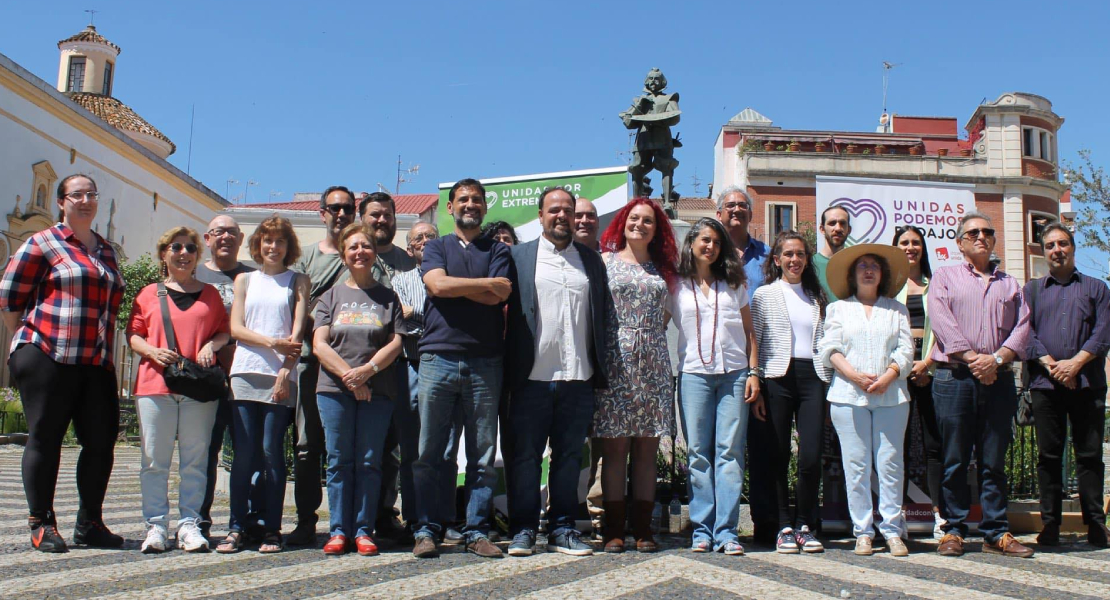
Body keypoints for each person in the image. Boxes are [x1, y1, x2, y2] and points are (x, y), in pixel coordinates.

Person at [0, 174, 125, 553]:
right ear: (61, 202)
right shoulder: (42, 242)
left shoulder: (105, 249)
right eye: (77, 194)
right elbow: (9, 297)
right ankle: (41, 522)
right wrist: (27, 340)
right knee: (46, 436)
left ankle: (90, 523)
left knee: (101, 441)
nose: (85, 200)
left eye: (91, 194)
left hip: (94, 359)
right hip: (48, 354)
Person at [503, 188, 610, 557]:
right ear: (540, 215)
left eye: (568, 210)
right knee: (526, 458)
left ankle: (563, 529)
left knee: (567, 459)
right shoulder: (518, 257)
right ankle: (523, 530)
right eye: (555, 210)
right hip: (532, 377)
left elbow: (604, 317)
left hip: (579, 378)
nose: (562, 216)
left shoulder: (592, 261)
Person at [412, 178, 512, 559]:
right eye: (463, 200)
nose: (470, 205)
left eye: (477, 200)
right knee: (432, 452)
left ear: (485, 208)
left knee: (483, 455)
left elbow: (501, 293)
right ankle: (426, 529)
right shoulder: (436, 246)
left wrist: (455, 286)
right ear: (450, 207)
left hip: (486, 359)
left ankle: (476, 530)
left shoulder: (497, 248)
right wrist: (482, 285)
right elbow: (435, 286)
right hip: (438, 357)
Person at [929, 211, 1033, 558]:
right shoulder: (944, 278)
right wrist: (975, 360)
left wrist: (997, 359)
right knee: (955, 458)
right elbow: (942, 322)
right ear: (960, 242)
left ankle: (996, 532)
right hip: (954, 378)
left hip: (998, 379)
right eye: (973, 232)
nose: (981, 236)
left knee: (994, 461)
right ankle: (953, 530)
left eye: (987, 231)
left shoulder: (1011, 284)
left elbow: (1023, 327)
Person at [127, 227, 231, 553]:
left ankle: (189, 525)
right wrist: (151, 352)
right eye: (176, 247)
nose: (183, 253)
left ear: (197, 256)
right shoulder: (148, 294)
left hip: (198, 388)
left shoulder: (211, 295)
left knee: (196, 461)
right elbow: (134, 334)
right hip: (154, 384)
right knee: (154, 461)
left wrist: (211, 345)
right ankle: (156, 526)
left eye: (190, 248)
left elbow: (224, 332)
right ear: (164, 254)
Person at [217, 217, 310, 554]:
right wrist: (273, 342)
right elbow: (236, 329)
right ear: (257, 244)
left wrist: (286, 370)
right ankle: (237, 527)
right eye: (267, 241)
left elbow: (297, 335)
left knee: (272, 454)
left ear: (289, 246)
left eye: (280, 241)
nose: (273, 247)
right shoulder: (244, 280)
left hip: (280, 378)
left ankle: (272, 528)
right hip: (244, 373)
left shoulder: (298, 281)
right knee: (243, 455)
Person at [312, 223, 404, 556]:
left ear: (373, 251)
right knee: (339, 461)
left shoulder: (387, 297)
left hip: (377, 390)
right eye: (353, 247)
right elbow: (319, 344)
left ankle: (363, 530)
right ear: (344, 254)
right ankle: (338, 531)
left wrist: (368, 372)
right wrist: (351, 378)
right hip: (334, 390)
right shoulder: (330, 297)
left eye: (365, 246)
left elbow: (396, 341)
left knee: (369, 461)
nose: (360, 252)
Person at [670, 218, 760, 555]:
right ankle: (702, 530)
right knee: (697, 454)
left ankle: (726, 531)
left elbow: (750, 333)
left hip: (735, 374)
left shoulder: (734, 283)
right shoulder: (675, 286)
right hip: (694, 375)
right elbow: (657, 326)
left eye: (717, 242)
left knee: (729, 452)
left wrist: (754, 373)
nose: (711, 247)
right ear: (691, 243)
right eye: (705, 240)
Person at [594, 198, 678, 554]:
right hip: (615, 364)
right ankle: (613, 529)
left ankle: (643, 528)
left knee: (646, 450)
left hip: (654, 364)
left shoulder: (665, 269)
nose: (639, 225)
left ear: (657, 229)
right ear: (622, 223)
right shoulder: (605, 263)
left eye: (647, 221)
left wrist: (647, 339)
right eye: (634, 219)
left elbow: (669, 314)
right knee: (615, 452)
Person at [819, 244, 913, 557]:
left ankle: (892, 530)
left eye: (874, 265)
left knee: (889, 464)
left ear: (883, 273)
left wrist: (888, 376)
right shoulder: (838, 309)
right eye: (862, 265)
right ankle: (863, 531)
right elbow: (830, 349)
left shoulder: (896, 309)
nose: (869, 269)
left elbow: (906, 350)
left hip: (892, 395)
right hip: (848, 396)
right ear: (853, 273)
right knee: (855, 466)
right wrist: (856, 376)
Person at [1025, 223, 1110, 547]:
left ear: (1073, 247)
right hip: (1045, 387)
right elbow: (1025, 334)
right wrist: (1053, 366)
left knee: (1089, 456)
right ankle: (1050, 525)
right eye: (1050, 245)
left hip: (1088, 383)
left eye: (1062, 243)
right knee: (1048, 456)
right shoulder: (1031, 291)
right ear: (1044, 251)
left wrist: (1075, 364)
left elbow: (1103, 333)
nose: (1056, 250)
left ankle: (1096, 525)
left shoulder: (1096, 288)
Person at [750, 231, 830, 555]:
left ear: (806, 259)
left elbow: (824, 341)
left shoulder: (816, 296)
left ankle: (804, 524)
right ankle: (783, 524)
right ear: (777, 259)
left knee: (810, 456)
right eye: (788, 254)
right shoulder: (764, 295)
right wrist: (755, 381)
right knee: (778, 454)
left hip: (813, 377)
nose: (794, 259)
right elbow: (754, 340)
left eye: (800, 254)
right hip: (777, 376)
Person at [288, 186, 357, 546]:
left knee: (350, 449)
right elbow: (297, 309)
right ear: (322, 213)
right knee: (307, 445)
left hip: (355, 365)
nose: (341, 213)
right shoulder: (305, 261)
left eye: (348, 208)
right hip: (311, 363)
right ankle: (305, 521)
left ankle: (349, 524)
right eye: (335, 208)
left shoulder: (363, 256)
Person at [714, 185, 775, 545]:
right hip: (718, 362)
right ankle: (719, 524)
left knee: (763, 444)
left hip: (762, 360)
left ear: (751, 214)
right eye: (730, 205)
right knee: (718, 448)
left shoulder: (768, 257)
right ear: (719, 212)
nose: (736, 210)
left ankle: (766, 524)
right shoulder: (707, 252)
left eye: (742, 206)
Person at [392, 221, 460, 539]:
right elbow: (400, 321)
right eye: (417, 238)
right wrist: (427, 319)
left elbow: (443, 320)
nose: (424, 241)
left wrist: (417, 316)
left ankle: (445, 518)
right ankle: (415, 518)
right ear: (409, 249)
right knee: (412, 450)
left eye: (430, 236)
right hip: (412, 367)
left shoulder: (451, 278)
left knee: (446, 450)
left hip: (447, 365)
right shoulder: (399, 280)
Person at [196, 215, 260, 540]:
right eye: (219, 232)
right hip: (205, 380)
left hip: (245, 378)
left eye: (232, 232)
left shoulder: (254, 276)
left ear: (241, 237)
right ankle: (200, 522)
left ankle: (244, 523)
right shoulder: (195, 273)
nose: (225, 237)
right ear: (208, 238)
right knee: (205, 453)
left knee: (248, 452)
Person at [359, 191, 417, 540]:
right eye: (374, 215)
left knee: (400, 446)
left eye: (387, 216)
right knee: (365, 448)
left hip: (402, 364)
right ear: (362, 218)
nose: (381, 221)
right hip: (359, 366)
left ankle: (389, 513)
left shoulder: (408, 262)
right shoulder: (352, 256)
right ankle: (359, 515)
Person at [891, 225, 944, 539]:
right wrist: (904, 365)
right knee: (897, 447)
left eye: (915, 243)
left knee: (933, 447)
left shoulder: (936, 286)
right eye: (904, 243)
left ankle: (940, 517)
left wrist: (927, 363)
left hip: (930, 373)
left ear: (923, 249)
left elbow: (947, 331)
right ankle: (897, 516)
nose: (910, 247)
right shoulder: (889, 288)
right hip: (898, 376)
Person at [813, 206, 852, 300]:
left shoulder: (856, 264)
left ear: (849, 230)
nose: (838, 228)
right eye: (832, 223)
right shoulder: (809, 265)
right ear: (822, 229)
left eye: (842, 223)